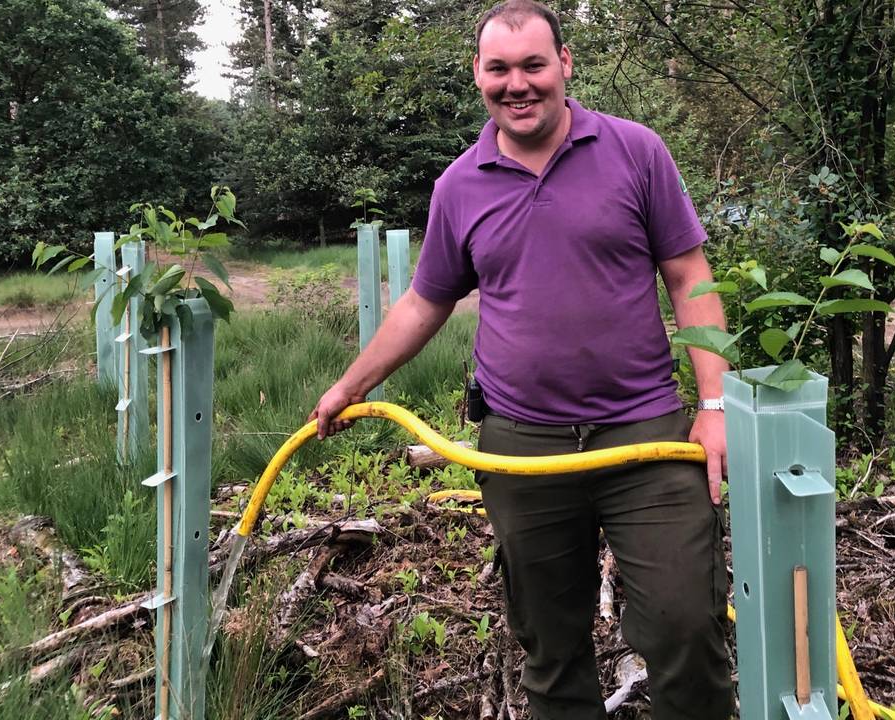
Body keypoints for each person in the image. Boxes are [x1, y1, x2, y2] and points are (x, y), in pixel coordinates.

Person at [310, 1, 733, 717]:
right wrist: (349, 386)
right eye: (499, 68)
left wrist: (715, 406)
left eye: (534, 65)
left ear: (564, 64)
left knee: (685, 623)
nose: (518, 84)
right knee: (549, 643)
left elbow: (690, 277)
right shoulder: (460, 185)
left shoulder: (635, 152)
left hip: (646, 435)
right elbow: (423, 302)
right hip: (521, 446)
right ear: (477, 74)